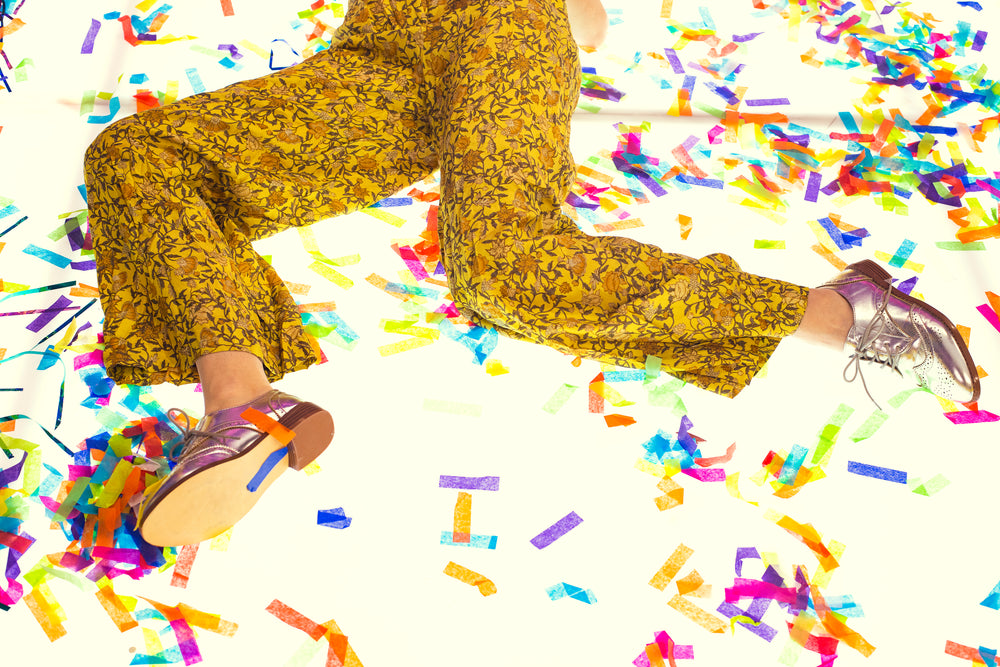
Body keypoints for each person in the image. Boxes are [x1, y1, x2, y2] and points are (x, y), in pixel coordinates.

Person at [83, 0, 979, 548]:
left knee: (503, 267)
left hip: (501, 21)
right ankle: (243, 407)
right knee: (138, 155)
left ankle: (840, 311)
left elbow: (586, 21)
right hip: (377, 48)